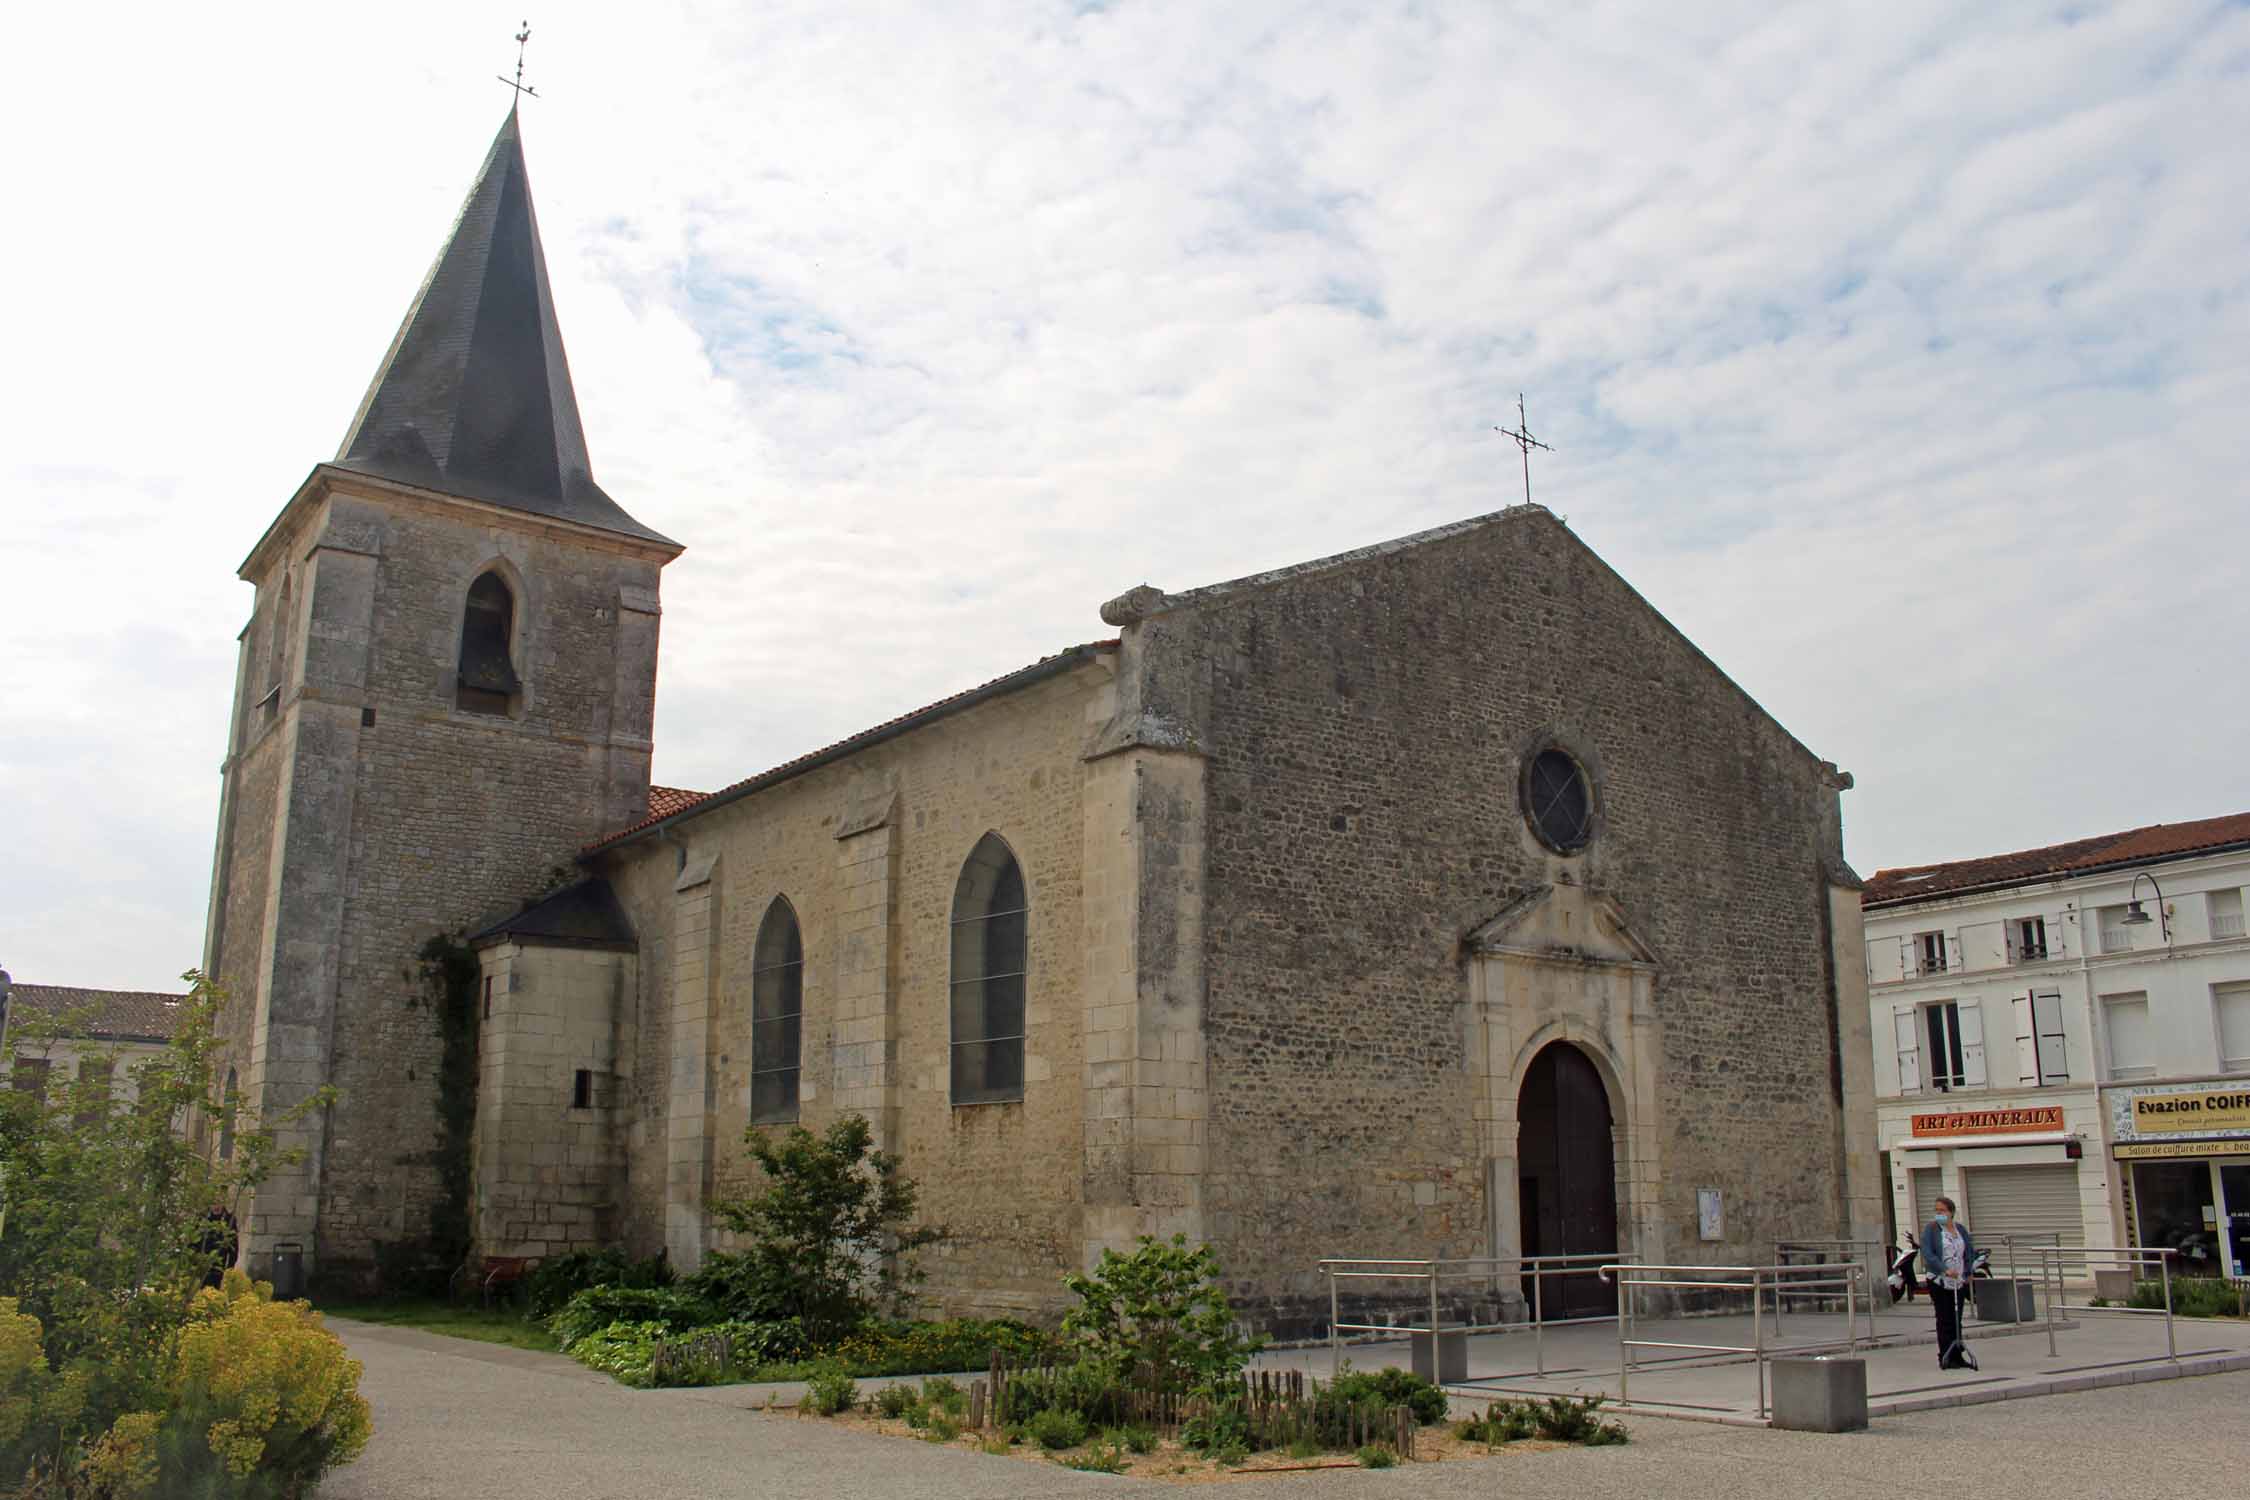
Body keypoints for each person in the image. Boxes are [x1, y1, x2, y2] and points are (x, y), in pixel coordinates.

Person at [1919, 1196, 1979, 1370]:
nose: (1939, 1214)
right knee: (1944, 1318)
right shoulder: (1931, 1230)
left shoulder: (1960, 1229)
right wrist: (1944, 1269)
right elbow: (1928, 1254)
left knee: (1956, 1318)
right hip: (1940, 1280)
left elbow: (1968, 1250)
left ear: (1951, 1212)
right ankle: (1945, 1355)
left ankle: (1957, 1354)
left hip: (1958, 1280)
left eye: (1942, 1211)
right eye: (1936, 1211)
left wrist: (1968, 1272)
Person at [196, 1199, 239, 1289]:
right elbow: (194, 1241)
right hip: (202, 1263)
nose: (216, 1206)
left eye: (218, 1203)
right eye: (213, 1203)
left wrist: (230, 1268)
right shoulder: (202, 1218)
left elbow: (234, 1245)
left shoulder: (229, 1219)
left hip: (219, 1263)